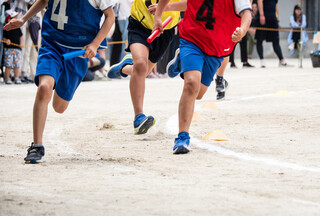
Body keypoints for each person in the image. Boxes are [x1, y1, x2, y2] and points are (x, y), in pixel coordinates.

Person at [3, 0, 115, 163]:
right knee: (44, 88)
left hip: (78, 52)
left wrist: (95, 44)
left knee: (59, 107)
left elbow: (110, 17)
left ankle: (61, 79)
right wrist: (24, 19)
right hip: (52, 44)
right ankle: (37, 145)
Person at [153, 0, 252, 154]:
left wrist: (242, 30)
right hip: (192, 39)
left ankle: (181, 63)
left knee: (198, 94)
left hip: (217, 48)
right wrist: (161, 11)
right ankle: (182, 137)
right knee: (191, 84)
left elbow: (246, 12)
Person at [107, 0, 180, 135]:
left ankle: (124, 68)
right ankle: (138, 117)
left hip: (166, 28)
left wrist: (165, 8)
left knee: (142, 72)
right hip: (139, 23)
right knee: (140, 65)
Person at [255, 0, 289, 68]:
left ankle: (281, 59)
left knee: (276, 40)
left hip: (273, 19)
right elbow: (259, 1)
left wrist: (277, 19)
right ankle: (262, 60)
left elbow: (276, 6)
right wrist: (261, 15)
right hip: (264, 17)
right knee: (260, 39)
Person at [3, 9, 23, 84]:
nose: (16, 19)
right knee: (8, 65)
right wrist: (6, 40)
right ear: (9, 19)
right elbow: (3, 37)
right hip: (9, 49)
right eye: (14, 18)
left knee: (17, 65)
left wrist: (21, 43)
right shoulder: (6, 28)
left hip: (17, 49)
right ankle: (7, 78)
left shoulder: (18, 28)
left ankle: (16, 77)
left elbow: (21, 36)